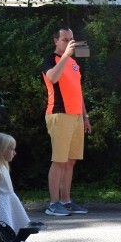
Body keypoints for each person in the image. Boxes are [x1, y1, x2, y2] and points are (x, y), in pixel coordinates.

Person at [42, 26, 93, 217]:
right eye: (65, 40)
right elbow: (52, 77)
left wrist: (85, 117)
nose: (69, 43)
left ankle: (66, 201)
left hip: (76, 117)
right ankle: (53, 204)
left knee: (70, 161)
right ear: (56, 41)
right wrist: (65, 57)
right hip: (59, 114)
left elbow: (78, 92)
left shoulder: (73, 64)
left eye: (71, 39)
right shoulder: (51, 60)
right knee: (59, 161)